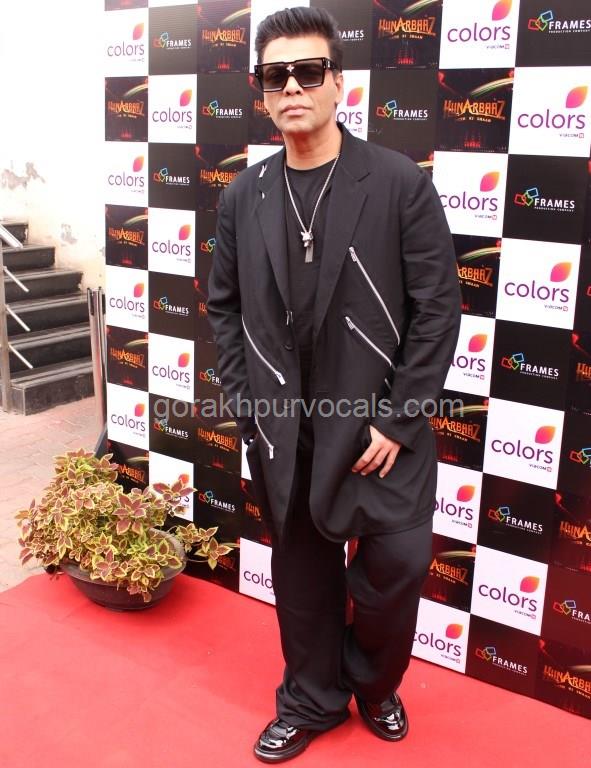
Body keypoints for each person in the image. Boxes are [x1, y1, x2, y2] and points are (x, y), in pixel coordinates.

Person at [207, 6, 461, 763]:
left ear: (337, 84)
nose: (292, 87)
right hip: (286, 432)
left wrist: (398, 419)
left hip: (380, 430)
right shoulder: (243, 195)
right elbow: (224, 308)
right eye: (275, 75)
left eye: (308, 71)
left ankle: (374, 685)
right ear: (261, 92)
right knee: (303, 581)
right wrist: (249, 406)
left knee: (396, 569)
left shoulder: (397, 183)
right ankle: (311, 699)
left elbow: (437, 309)